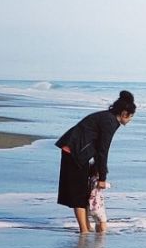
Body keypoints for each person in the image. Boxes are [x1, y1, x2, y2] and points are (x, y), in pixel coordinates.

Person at [56, 90, 135, 233]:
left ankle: (87, 228)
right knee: (78, 193)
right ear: (124, 114)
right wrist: (102, 177)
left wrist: (99, 170)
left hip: (77, 151)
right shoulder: (110, 122)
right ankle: (84, 231)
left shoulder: (108, 118)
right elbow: (103, 150)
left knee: (84, 193)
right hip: (74, 152)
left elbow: (99, 148)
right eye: (131, 117)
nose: (131, 120)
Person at [88, 168, 111, 233]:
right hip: (97, 207)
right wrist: (109, 185)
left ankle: (98, 232)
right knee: (103, 220)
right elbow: (104, 185)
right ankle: (102, 233)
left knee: (97, 222)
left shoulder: (89, 180)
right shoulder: (96, 180)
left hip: (90, 207)